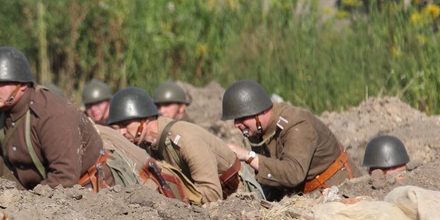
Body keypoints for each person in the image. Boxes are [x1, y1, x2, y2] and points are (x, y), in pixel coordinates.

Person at [0, 46, 112, 191]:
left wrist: (28, 203)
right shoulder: (0, 112)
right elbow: (0, 158)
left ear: (22, 85)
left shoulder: (51, 114)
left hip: (86, 192)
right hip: (38, 191)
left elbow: (65, 177)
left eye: (0, 83)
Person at [221, 79, 359, 200]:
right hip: (305, 197)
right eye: (235, 119)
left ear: (260, 111)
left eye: (242, 118)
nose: (236, 124)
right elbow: (273, 178)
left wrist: (249, 156)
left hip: (341, 193)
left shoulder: (296, 124)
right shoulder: (258, 131)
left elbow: (294, 174)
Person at [108, 87, 245, 205]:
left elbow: (212, 195)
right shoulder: (146, 144)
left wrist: (172, 197)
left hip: (240, 196)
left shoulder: (186, 139)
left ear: (146, 118)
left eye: (126, 125)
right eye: (116, 128)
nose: (121, 132)